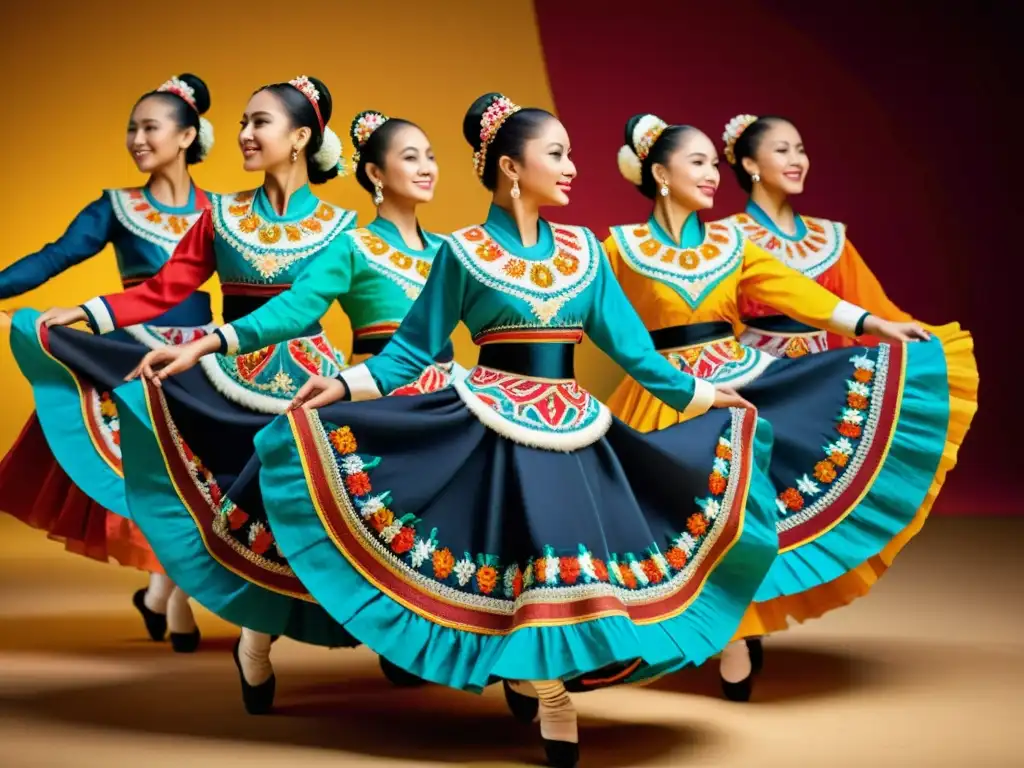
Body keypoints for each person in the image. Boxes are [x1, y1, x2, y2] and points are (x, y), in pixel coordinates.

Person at [241, 92, 778, 768]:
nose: (572, 166)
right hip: (490, 430)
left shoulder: (585, 250)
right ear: (512, 168)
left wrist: (706, 395)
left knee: (573, 565)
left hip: (576, 429)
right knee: (522, 573)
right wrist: (345, 385)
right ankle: (551, 693)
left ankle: (548, 682)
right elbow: (411, 351)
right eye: (556, 153)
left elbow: (636, 356)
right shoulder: (463, 252)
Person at [604, 113, 977, 701]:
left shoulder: (731, 243)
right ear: (660, 174)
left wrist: (873, 322)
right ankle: (641, 637)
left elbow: (799, 294)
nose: (711, 175)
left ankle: (736, 630)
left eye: (711, 162)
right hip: (659, 393)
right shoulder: (619, 248)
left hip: (735, 383)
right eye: (696, 163)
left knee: (744, 510)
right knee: (658, 519)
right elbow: (590, 317)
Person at [38, 76, 358, 711]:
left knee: (301, 516)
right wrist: (88, 311)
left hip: (310, 389)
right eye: (242, 120)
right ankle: (245, 637)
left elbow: (310, 309)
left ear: (299, 139)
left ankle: (261, 639)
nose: (242, 133)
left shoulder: (341, 227)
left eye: (259, 122)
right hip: (224, 386)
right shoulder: (225, 214)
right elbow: (164, 287)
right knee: (238, 514)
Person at [127, 109, 464, 688]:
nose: (428, 168)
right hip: (375, 400)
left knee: (443, 533)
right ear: (376, 175)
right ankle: (256, 642)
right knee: (318, 534)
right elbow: (293, 310)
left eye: (431, 156)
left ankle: (431, 648)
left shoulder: (454, 252)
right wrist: (210, 342)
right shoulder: (353, 245)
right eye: (411, 157)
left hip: (445, 403)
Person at [0, 73, 216, 649]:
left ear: (186, 135)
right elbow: (56, 257)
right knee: (159, 477)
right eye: (132, 128)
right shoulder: (117, 206)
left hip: (205, 359)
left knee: (202, 478)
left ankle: (160, 596)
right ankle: (168, 600)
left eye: (150, 127)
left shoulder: (222, 211)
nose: (137, 138)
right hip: (133, 354)